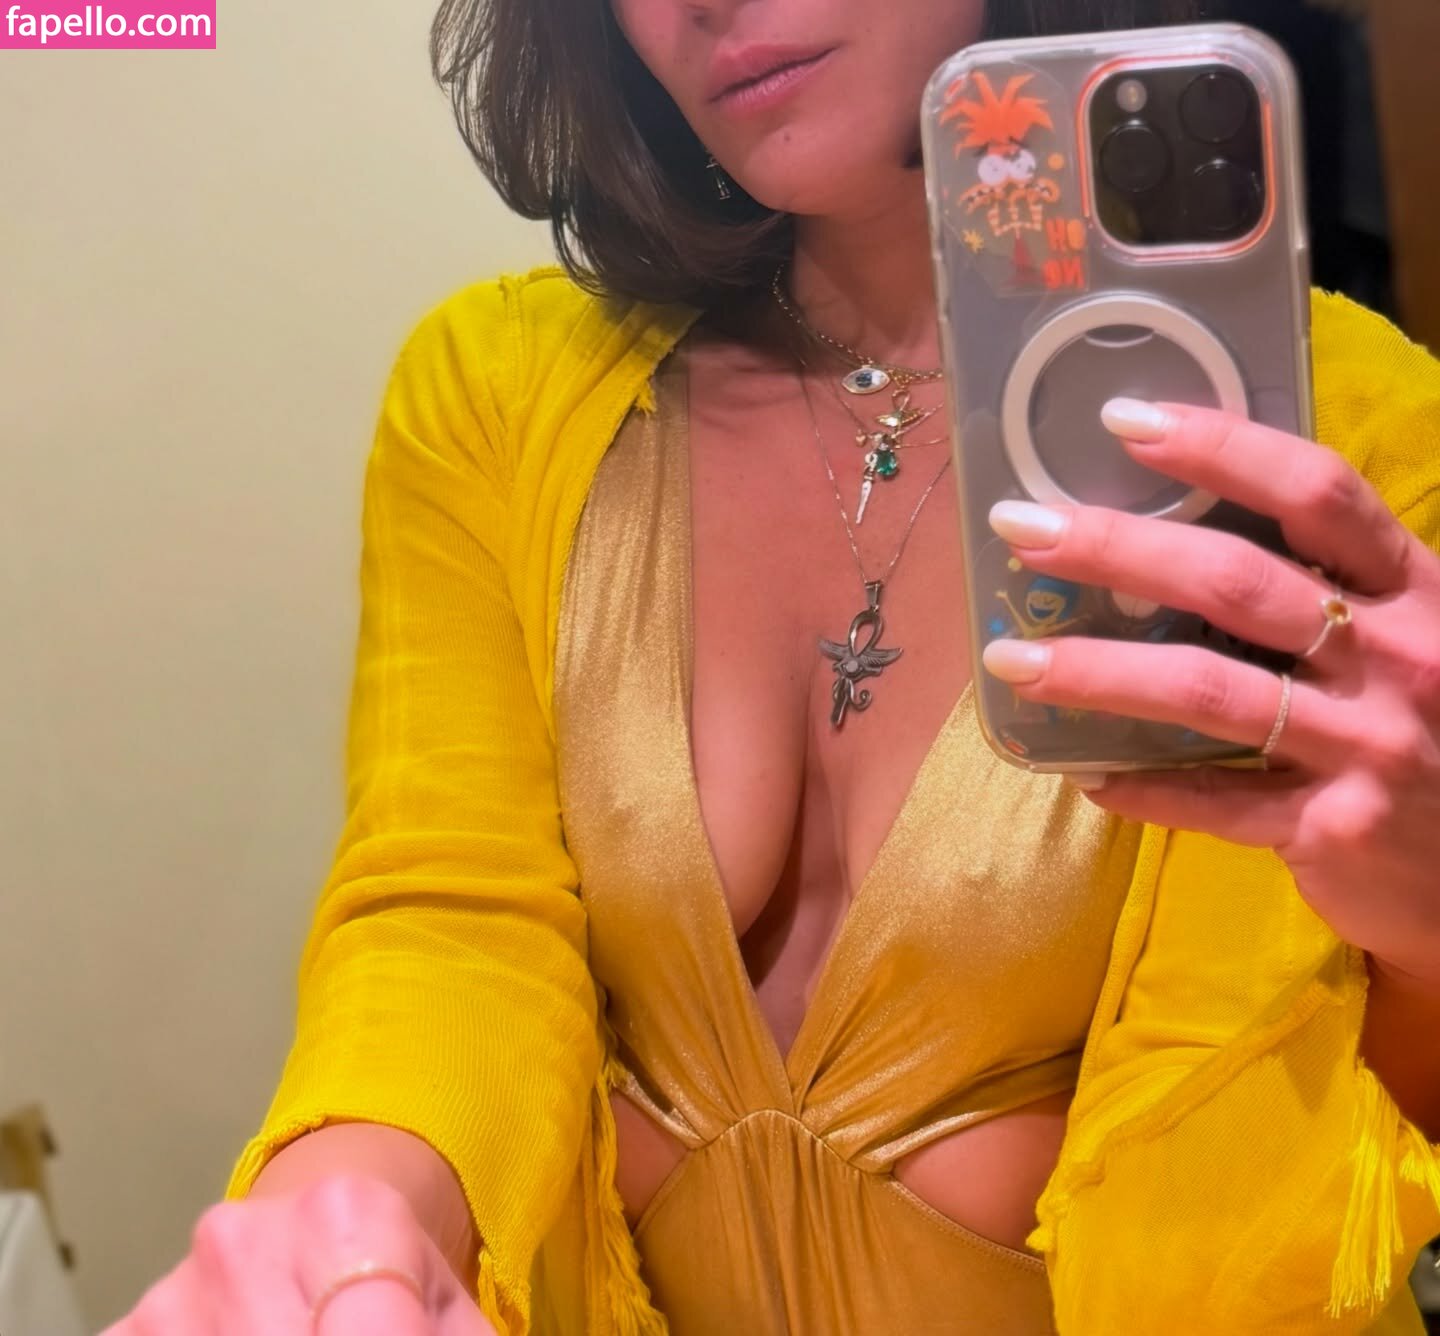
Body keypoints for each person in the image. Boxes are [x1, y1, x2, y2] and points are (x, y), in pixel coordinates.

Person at [108, 0, 1440, 1331]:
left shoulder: (1356, 448)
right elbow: (451, 921)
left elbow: (1338, 1113)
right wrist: (340, 1242)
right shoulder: (495, 400)